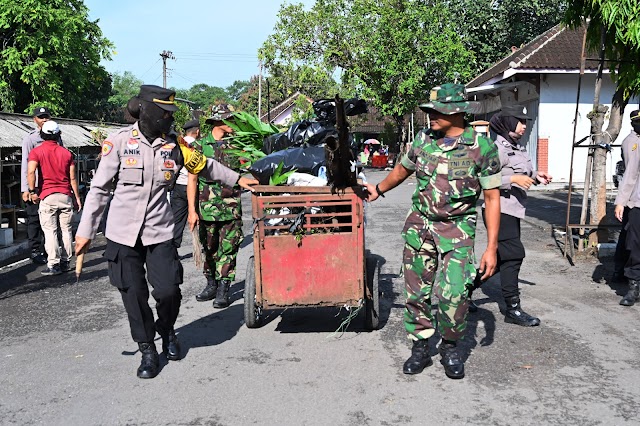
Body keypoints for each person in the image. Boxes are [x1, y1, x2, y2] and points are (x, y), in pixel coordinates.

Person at [74, 85, 258, 379]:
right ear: (145, 110)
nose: (170, 120)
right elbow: (99, 190)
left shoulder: (175, 147)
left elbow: (206, 166)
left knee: (169, 291)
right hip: (122, 235)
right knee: (133, 295)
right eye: (165, 113)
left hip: (159, 232)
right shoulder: (118, 143)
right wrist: (85, 230)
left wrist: (239, 180)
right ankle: (147, 348)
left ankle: (168, 329)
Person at [363, 83, 501, 379]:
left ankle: (450, 347)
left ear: (457, 113)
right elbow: (403, 169)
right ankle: (421, 348)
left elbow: (492, 198)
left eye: (436, 111)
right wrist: (379, 188)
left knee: (455, 294)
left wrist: (491, 248)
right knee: (417, 293)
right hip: (420, 225)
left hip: (458, 229)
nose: (430, 116)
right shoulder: (423, 140)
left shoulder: (483, 148)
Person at [469, 105, 552, 326]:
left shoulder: (517, 147)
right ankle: (512, 309)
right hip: (499, 210)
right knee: (514, 254)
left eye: (525, 121)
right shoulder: (496, 149)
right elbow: (482, 179)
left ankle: (461, 292)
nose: (524, 125)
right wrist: (513, 180)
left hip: (513, 209)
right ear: (506, 123)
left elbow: (522, 171)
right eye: (520, 121)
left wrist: (536, 175)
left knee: (500, 259)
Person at [191, 105, 243, 308]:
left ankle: (224, 288)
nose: (234, 124)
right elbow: (193, 179)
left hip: (231, 207)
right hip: (207, 209)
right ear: (218, 122)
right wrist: (192, 210)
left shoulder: (237, 145)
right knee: (209, 248)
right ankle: (211, 283)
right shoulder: (200, 146)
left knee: (229, 249)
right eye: (230, 120)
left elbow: (248, 172)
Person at [26, 121, 82, 275]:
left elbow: (31, 172)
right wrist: (76, 197)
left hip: (47, 196)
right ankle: (65, 262)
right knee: (66, 230)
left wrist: (32, 191)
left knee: (50, 231)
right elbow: (73, 179)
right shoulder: (67, 153)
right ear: (59, 135)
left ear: (42, 135)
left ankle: (53, 264)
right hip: (65, 195)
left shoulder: (36, 152)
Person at [21, 106, 63, 264]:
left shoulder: (57, 137)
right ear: (35, 120)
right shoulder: (30, 139)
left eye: (47, 117)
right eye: (41, 117)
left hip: (52, 185)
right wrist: (26, 189)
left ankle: (49, 250)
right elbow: (26, 165)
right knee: (34, 219)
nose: (44, 119)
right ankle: (34, 250)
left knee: (52, 219)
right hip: (35, 185)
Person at [615, 110, 640, 306]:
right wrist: (621, 202)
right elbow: (630, 174)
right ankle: (633, 287)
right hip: (637, 202)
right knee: (635, 245)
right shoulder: (633, 142)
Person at [170, 119, 200, 247]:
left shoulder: (177, 144)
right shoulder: (199, 146)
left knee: (176, 220)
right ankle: (204, 245)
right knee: (200, 217)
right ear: (197, 132)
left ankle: (173, 246)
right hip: (194, 187)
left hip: (178, 186)